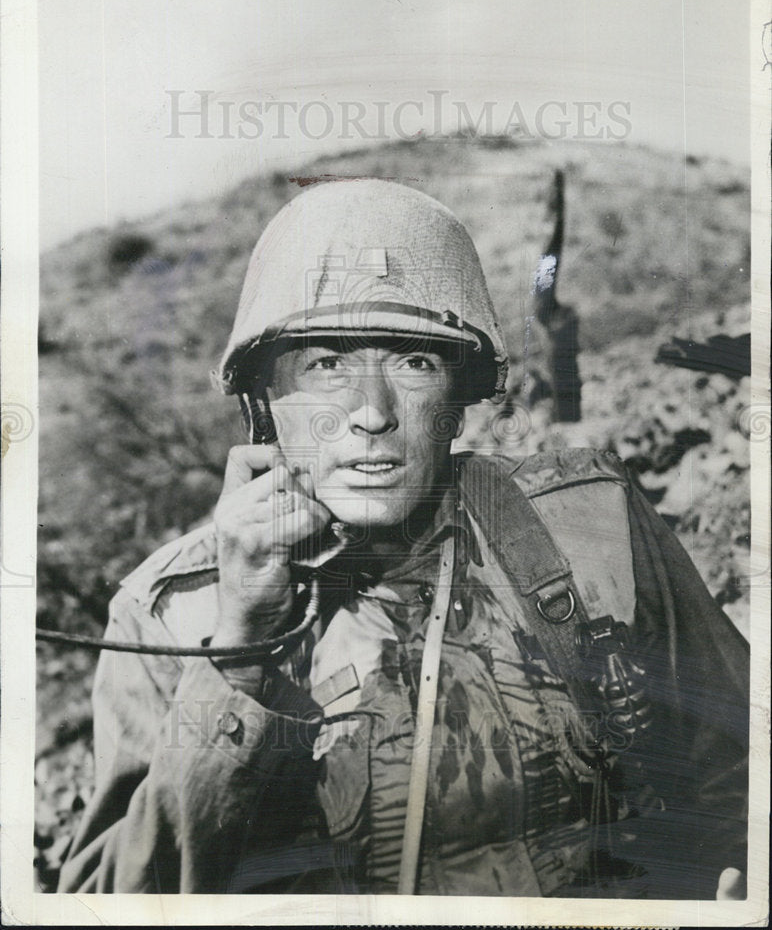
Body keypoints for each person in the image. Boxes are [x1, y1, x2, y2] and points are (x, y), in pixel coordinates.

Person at [58, 179, 748, 898]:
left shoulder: (588, 525)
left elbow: (740, 771)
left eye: (414, 362)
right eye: (326, 363)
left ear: (458, 396)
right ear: (263, 400)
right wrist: (238, 656)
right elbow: (112, 902)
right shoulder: (168, 615)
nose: (372, 412)